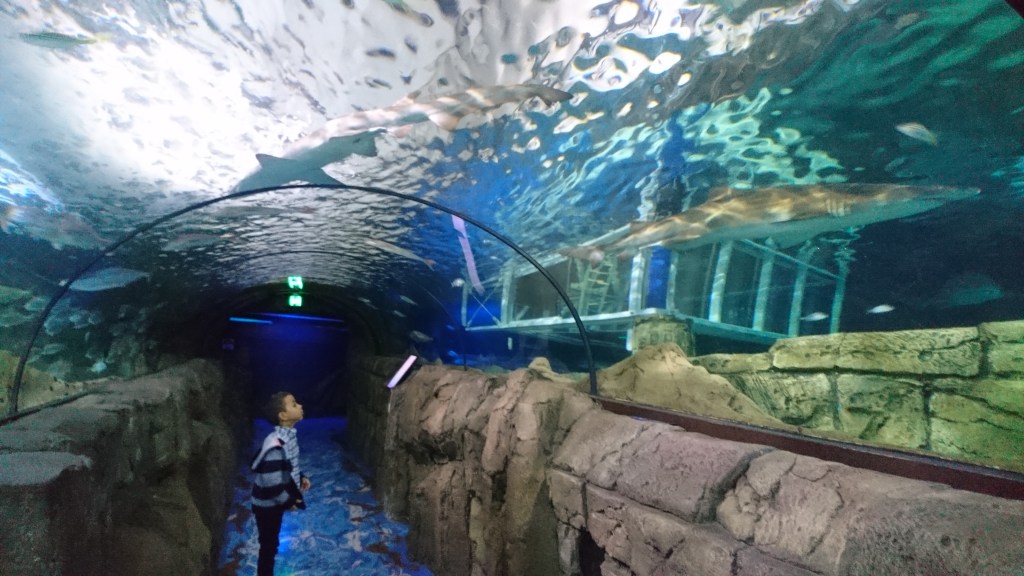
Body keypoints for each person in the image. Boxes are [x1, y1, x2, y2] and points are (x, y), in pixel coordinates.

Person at [250, 392, 313, 576]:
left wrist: (300, 476)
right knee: (268, 545)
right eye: (294, 404)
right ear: (282, 415)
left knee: (272, 542)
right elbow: (272, 485)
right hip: (267, 505)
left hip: (274, 502)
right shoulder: (276, 446)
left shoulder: (288, 437)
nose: (300, 405)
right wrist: (289, 502)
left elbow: (288, 464)